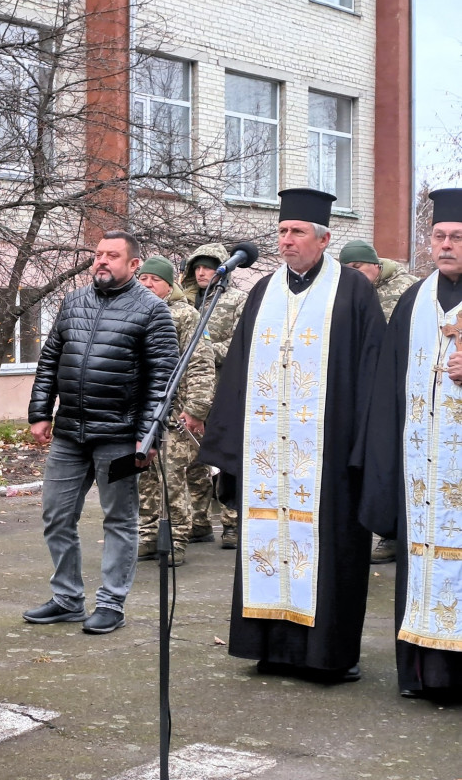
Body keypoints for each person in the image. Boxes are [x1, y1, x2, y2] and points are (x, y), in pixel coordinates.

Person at [198, 188, 385, 683]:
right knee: (268, 540)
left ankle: (328, 657)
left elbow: (373, 371)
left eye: (296, 231)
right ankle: (272, 649)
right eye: (281, 231)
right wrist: (229, 448)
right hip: (267, 455)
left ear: (323, 239)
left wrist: (365, 447)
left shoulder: (353, 291)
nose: (286, 240)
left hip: (329, 453)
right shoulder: (263, 292)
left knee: (330, 551)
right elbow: (237, 369)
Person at [23, 231, 177, 635]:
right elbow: (49, 360)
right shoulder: (74, 302)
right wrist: (40, 411)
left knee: (119, 520)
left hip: (121, 437)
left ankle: (111, 603)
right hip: (70, 433)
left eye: (112, 256)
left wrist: (148, 438)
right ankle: (67, 599)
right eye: (98, 255)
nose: (102, 261)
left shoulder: (153, 311)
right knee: (56, 515)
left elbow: (163, 380)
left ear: (134, 264)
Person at [360, 187, 462, 700]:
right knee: (423, 562)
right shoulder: (412, 301)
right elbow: (385, 391)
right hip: (423, 469)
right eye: (439, 236)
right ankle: (424, 675)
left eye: (457, 237)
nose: (446, 245)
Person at [337, 238, 418, 566]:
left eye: (357, 267)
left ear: (374, 265)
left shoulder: (408, 291)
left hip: (402, 383)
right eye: (347, 269)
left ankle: (396, 535)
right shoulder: (348, 292)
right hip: (364, 384)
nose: (353, 274)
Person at [135, 257, 216, 567]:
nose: (146, 284)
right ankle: (148, 534)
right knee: (143, 474)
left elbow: (200, 364)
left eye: (154, 280)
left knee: (172, 476)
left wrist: (196, 408)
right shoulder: (134, 311)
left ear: (170, 284)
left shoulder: (186, 316)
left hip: (174, 411)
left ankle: (177, 537)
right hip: (142, 411)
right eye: (142, 279)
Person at [180, 243, 248, 548]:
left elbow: (240, 344)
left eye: (207, 266)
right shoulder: (187, 301)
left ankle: (232, 525)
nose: (202, 272)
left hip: (223, 389)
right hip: (189, 389)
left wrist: (201, 351)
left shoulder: (237, 301)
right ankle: (199, 520)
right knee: (192, 458)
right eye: (197, 267)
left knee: (224, 455)